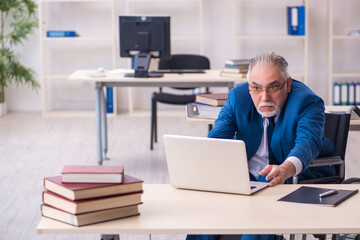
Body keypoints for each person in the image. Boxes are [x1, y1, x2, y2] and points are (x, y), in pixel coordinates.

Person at [186, 51, 335, 240]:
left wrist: (285, 169)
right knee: (206, 217)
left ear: (287, 84)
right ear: (249, 86)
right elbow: (217, 138)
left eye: (273, 88)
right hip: (247, 178)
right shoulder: (237, 97)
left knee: (261, 209)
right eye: (256, 88)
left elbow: (308, 142)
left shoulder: (307, 102)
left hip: (296, 175)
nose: (264, 98)